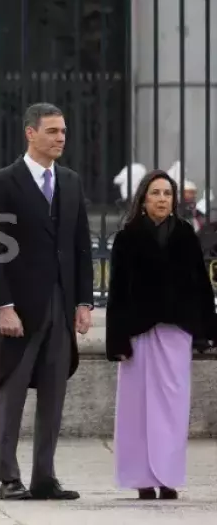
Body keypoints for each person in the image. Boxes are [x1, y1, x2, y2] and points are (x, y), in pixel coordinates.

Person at [0, 102, 93, 501]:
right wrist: (3, 305)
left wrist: (83, 302)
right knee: (11, 393)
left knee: (54, 393)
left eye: (63, 131)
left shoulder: (72, 182)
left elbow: (80, 247)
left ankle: (45, 476)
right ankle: (9, 478)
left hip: (61, 307)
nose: (60, 138)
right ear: (30, 133)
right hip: (20, 308)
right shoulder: (2, 182)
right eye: (52, 131)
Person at [106, 170, 217, 500]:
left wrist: (205, 331)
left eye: (167, 194)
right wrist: (117, 340)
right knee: (137, 408)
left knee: (172, 406)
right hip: (139, 332)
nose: (162, 199)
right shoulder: (128, 237)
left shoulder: (185, 235)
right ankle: (141, 478)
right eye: (155, 193)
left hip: (176, 332)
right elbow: (117, 293)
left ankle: (168, 477)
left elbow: (200, 285)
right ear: (143, 199)